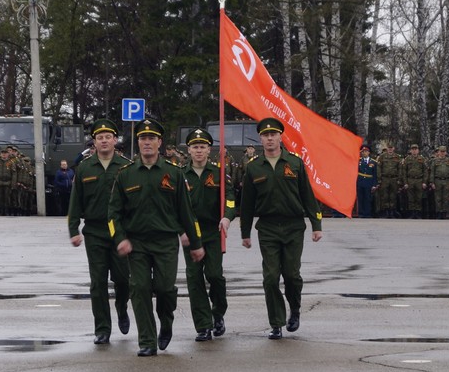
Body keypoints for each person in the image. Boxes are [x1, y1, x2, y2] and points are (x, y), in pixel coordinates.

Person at [109, 119, 204, 357]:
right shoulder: (125, 175)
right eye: (143, 138)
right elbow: (113, 214)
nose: (147, 142)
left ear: (160, 143)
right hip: (137, 244)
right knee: (139, 289)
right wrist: (119, 238)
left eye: (152, 138)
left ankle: (167, 321)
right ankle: (147, 341)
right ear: (138, 143)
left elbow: (187, 213)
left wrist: (196, 244)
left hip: (165, 244)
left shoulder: (173, 173)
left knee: (164, 289)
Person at [239, 117, 323, 340]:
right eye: (265, 135)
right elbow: (246, 203)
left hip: (294, 226)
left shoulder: (294, 163)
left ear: (280, 137)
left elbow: (308, 196)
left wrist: (316, 224)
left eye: (273, 134)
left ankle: (294, 310)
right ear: (261, 138)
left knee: (292, 275)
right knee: (270, 277)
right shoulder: (254, 166)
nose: (269, 138)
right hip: (267, 228)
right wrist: (245, 233)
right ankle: (276, 322)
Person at [68, 119, 133, 346]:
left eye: (108, 137)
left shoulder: (126, 166)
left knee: (123, 280)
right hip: (95, 232)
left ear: (115, 140)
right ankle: (102, 328)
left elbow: (133, 201)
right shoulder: (85, 167)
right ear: (94, 142)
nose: (104, 141)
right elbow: (76, 201)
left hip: (120, 233)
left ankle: (122, 308)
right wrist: (73, 229)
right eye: (99, 137)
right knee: (98, 282)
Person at [180, 128, 235, 342]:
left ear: (209, 150)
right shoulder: (179, 174)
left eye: (202, 147)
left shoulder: (219, 173)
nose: (199, 150)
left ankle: (218, 312)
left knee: (214, 276)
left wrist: (228, 217)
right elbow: (173, 205)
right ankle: (203, 325)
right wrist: (181, 230)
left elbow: (230, 198)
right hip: (191, 234)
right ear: (189, 150)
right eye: (195, 147)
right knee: (194, 280)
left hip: (213, 231)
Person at [375, 142, 402, 218]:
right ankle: (385, 211)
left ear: (393, 148)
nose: (390, 149)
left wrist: (399, 179)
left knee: (393, 195)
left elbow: (400, 168)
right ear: (387, 149)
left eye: (391, 148)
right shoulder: (382, 157)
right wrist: (379, 178)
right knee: (385, 195)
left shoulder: (397, 157)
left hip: (394, 178)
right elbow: (379, 168)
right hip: (385, 178)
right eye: (389, 148)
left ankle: (392, 211)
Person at [402, 144, 428, 219]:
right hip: (410, 180)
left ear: (418, 150)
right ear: (411, 150)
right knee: (411, 198)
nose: (414, 151)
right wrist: (405, 182)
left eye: (415, 149)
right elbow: (404, 171)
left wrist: (424, 182)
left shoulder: (422, 159)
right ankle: (412, 212)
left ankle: (418, 212)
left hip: (419, 180)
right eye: (413, 149)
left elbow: (425, 171)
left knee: (418, 197)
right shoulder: (407, 159)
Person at [428, 146, 449, 219]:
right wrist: (432, 182)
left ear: (445, 152)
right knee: (438, 198)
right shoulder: (435, 161)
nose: (442, 153)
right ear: (438, 152)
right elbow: (432, 172)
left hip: (447, 180)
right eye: (441, 151)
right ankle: (439, 212)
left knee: (445, 198)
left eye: (443, 152)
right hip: (437, 180)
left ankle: (444, 212)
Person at [356, 144, 378, 218]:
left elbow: (375, 174)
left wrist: (374, 184)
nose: (364, 153)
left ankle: (367, 213)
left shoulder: (374, 162)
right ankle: (361, 213)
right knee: (360, 198)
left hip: (369, 182)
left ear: (369, 152)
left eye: (365, 151)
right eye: (363, 151)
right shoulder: (358, 161)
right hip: (360, 182)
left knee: (367, 198)